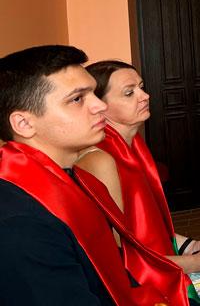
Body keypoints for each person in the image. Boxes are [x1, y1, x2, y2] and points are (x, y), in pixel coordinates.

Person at [0, 45, 188, 305]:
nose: (100, 105)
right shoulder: (20, 224)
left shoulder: (76, 178)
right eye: (77, 99)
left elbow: (110, 267)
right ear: (24, 123)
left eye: (93, 93)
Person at [76, 60, 200, 306]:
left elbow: (141, 227)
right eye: (129, 93)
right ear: (99, 106)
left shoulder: (133, 144)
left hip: (161, 263)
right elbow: (119, 258)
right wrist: (195, 263)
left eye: (141, 87)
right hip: (142, 288)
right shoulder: (100, 160)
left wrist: (188, 244)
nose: (145, 96)